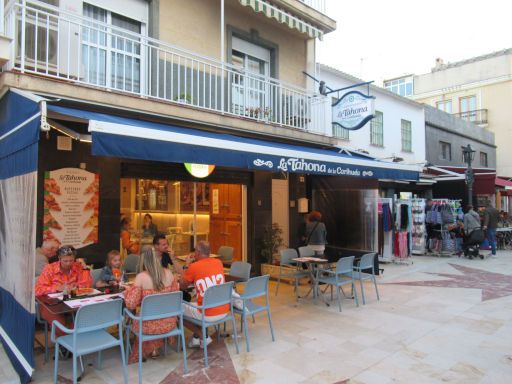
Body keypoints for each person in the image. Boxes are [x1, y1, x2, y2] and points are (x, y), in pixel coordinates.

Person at [124, 248, 180, 362]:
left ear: (143, 261)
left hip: (148, 326)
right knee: (153, 313)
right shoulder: (169, 273)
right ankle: (154, 349)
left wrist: (127, 291)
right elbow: (174, 297)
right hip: (169, 322)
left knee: (143, 317)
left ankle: (151, 349)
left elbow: (131, 304)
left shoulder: (141, 277)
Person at [35, 246, 93, 336]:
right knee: (61, 327)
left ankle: (73, 339)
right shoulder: (50, 269)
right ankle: (66, 342)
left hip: (73, 303)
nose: (68, 263)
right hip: (51, 305)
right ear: (59, 258)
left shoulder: (77, 266)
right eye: (65, 261)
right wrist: (57, 288)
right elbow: (37, 290)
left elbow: (87, 286)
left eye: (71, 260)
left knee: (89, 319)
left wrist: (85, 269)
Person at [180, 241, 228, 348]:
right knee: (196, 303)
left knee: (177, 310)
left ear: (197, 252)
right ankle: (196, 338)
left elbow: (182, 286)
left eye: (195, 251)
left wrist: (187, 265)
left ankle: (203, 336)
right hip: (224, 309)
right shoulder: (218, 262)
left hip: (208, 313)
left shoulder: (193, 266)